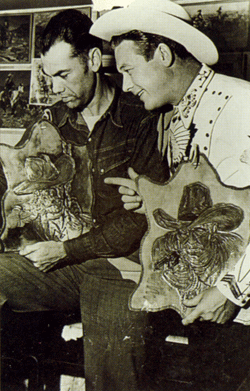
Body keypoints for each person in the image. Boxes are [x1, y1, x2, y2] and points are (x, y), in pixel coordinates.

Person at [0, 8, 170, 389]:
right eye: (49, 77)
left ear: (93, 60)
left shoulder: (144, 118)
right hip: (62, 264)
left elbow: (140, 221)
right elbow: (16, 185)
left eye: (64, 75)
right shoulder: (54, 120)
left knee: (112, 368)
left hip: (123, 267)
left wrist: (65, 250)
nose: (56, 89)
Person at [86, 0, 250, 389]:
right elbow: (219, 201)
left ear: (162, 54)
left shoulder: (240, 104)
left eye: (128, 69)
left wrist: (234, 289)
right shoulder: (175, 115)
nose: (126, 84)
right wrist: (152, 203)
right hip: (207, 307)